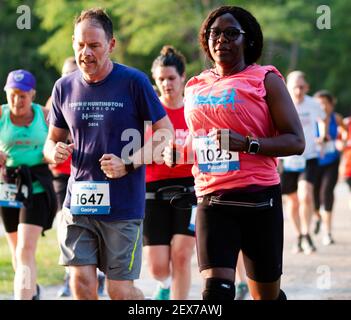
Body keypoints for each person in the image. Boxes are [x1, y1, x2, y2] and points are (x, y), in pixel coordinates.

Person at [164, 5, 305, 300]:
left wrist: (249, 143)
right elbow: (199, 139)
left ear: (248, 40)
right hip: (212, 200)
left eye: (231, 33)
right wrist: (178, 151)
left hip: (258, 200)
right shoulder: (195, 85)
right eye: (215, 33)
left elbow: (295, 141)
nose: (222, 40)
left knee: (265, 296)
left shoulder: (266, 79)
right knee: (216, 293)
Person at [43, 8, 173, 300]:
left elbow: (166, 133)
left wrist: (128, 163)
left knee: (120, 290)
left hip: (123, 204)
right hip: (79, 202)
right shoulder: (64, 87)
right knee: (82, 283)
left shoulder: (134, 82)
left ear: (111, 45)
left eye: (94, 45)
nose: (85, 52)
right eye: (80, 45)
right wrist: (56, 151)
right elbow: (50, 143)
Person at [46, 57, 106, 298]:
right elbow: (50, 140)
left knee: (99, 232)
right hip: (65, 177)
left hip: (97, 175)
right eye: (66, 74)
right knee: (64, 226)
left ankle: (99, 276)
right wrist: (54, 153)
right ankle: (70, 276)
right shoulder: (57, 98)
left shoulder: (98, 97)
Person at [143, 46, 195, 300]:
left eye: (171, 78)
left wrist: (185, 156)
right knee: (157, 267)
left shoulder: (194, 112)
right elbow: (136, 152)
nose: (166, 84)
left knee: (182, 256)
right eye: (160, 79)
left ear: (183, 77)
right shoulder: (146, 115)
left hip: (190, 189)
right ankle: (163, 285)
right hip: (152, 190)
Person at [0, 69, 57, 300]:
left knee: (25, 248)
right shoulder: (1, 115)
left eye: (23, 95)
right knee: (16, 252)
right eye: (12, 94)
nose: (17, 100)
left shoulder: (45, 115)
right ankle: (31, 290)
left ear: (32, 95)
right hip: (9, 186)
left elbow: (66, 139)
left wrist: (52, 151)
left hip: (37, 185)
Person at [280, 71, 326, 255]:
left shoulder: (313, 104)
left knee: (305, 194)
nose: (298, 91)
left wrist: (321, 135)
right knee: (292, 201)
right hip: (288, 158)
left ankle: (307, 234)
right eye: (294, 87)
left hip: (309, 156)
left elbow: (323, 119)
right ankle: (299, 236)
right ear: (288, 88)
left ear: (306, 87)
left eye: (301, 87)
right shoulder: (281, 104)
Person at [312, 90, 346, 245]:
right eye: (319, 104)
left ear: (331, 105)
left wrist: (343, 143)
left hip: (332, 161)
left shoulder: (336, 118)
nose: (323, 107)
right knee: (313, 196)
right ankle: (317, 216)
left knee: (326, 192)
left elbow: (345, 131)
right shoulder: (310, 119)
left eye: (325, 103)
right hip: (314, 161)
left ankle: (328, 232)